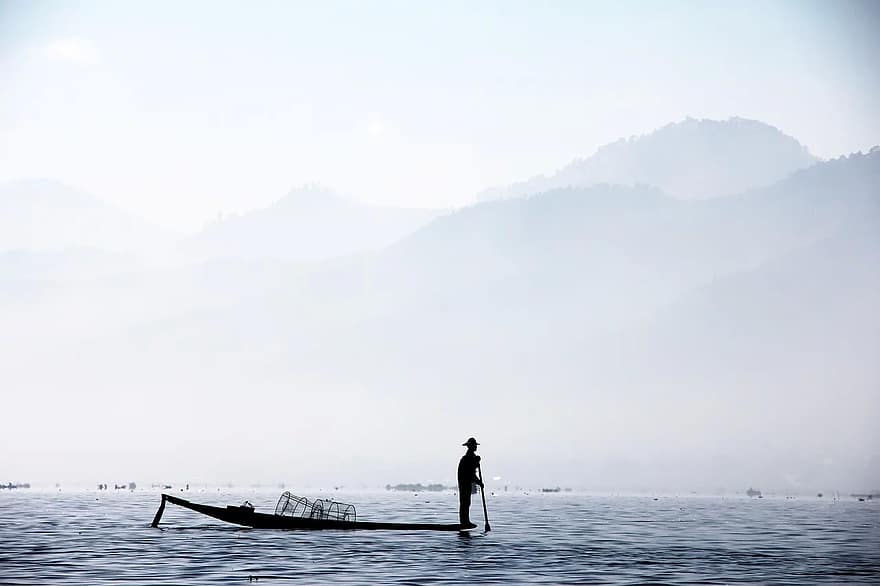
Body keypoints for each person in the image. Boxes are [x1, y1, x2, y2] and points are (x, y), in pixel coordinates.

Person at [457, 437, 483, 527]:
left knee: (466, 502)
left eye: (475, 445)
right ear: (470, 446)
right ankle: (464, 522)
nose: (475, 447)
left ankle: (465, 521)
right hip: (464, 482)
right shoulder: (467, 458)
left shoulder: (472, 457)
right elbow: (470, 473)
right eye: (474, 445)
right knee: (465, 502)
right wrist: (479, 482)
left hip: (466, 482)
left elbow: (472, 471)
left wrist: (476, 462)